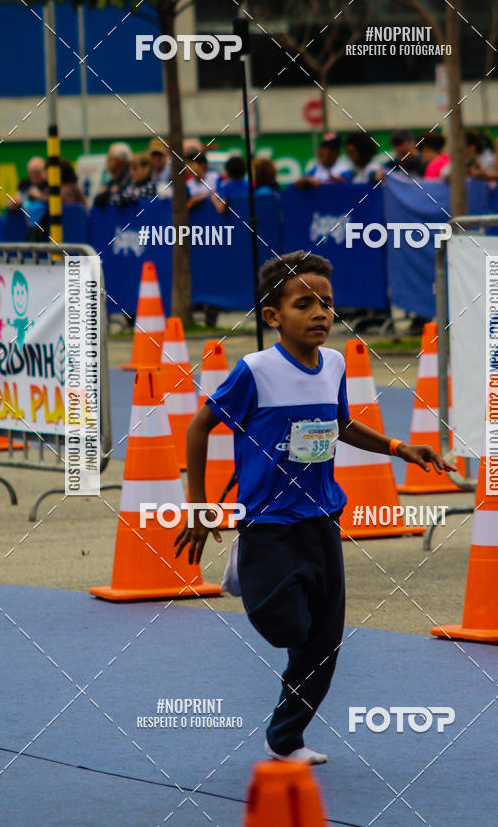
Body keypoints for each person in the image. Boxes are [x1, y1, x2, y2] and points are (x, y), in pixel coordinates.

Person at [174, 250, 454, 764]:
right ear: (273, 317)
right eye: (304, 304)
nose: (321, 313)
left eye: (327, 303)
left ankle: (285, 739)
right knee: (287, 627)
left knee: (322, 647)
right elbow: (198, 428)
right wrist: (198, 507)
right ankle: (250, 573)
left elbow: (341, 425)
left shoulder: (337, 364)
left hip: (322, 520)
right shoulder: (254, 370)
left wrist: (398, 448)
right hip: (268, 523)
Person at [93, 143, 132, 207]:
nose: (107, 161)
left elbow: (120, 195)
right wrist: (110, 191)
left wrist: (107, 192)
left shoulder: (130, 179)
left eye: (110, 158)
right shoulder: (113, 181)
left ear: (120, 161)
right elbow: (97, 200)